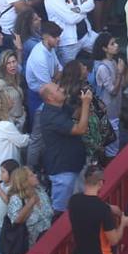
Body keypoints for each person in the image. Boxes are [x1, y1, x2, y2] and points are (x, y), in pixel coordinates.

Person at [39, 80, 92, 213]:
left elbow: (75, 115)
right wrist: (86, 104)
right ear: (50, 97)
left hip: (75, 164)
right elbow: (80, 129)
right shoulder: (51, 116)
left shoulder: (60, 107)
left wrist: (82, 101)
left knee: (78, 205)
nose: (62, 89)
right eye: (57, 89)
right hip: (63, 171)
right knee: (61, 211)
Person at [69, 167, 128, 254]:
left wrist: (109, 207)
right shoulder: (102, 210)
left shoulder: (73, 201)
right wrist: (123, 224)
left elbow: (89, 203)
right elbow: (114, 239)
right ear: (101, 183)